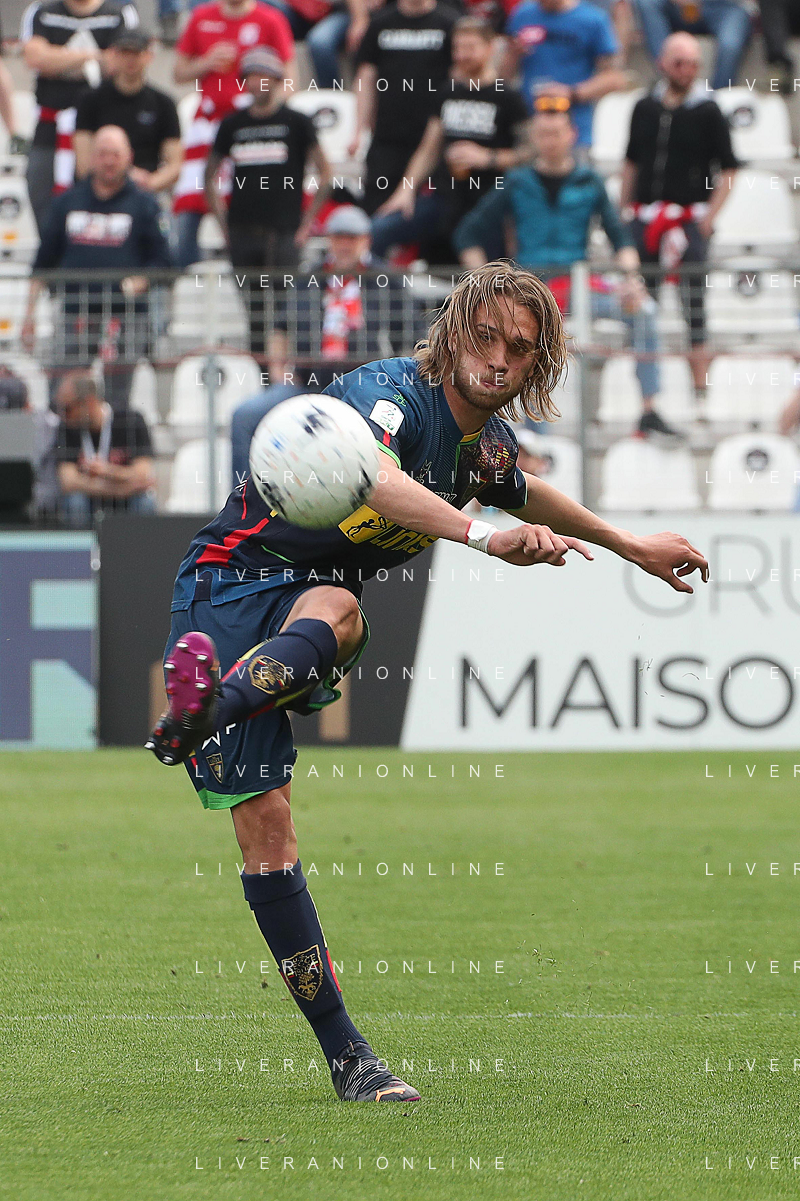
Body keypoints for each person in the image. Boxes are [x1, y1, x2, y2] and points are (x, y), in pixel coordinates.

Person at [144, 259, 708, 1102]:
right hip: (229, 582)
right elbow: (376, 480)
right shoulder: (392, 394)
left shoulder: (484, 443)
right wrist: (483, 538)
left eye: (520, 348)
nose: (499, 359)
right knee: (268, 824)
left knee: (341, 616)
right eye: (486, 337)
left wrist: (631, 545)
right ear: (455, 331)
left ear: (539, 361)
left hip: (308, 599)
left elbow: (523, 491)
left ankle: (204, 712)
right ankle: (348, 1051)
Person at [454, 104, 675, 438]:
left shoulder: (590, 181)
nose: (550, 141)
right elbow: (468, 233)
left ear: (572, 135)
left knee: (644, 310)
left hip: (578, 287)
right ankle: (534, 437)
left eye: (556, 133)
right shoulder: (517, 182)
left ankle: (649, 410)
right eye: (543, 134)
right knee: (526, 343)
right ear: (535, 138)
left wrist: (633, 281)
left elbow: (620, 238)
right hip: (529, 292)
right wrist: (485, 285)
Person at [229, 202, 427, 483]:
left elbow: (414, 337)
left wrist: (395, 383)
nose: (344, 245)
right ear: (329, 241)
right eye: (338, 238)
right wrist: (279, 374)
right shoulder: (310, 277)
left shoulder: (387, 279)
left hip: (366, 389)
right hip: (307, 386)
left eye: (351, 238)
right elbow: (280, 329)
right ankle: (245, 501)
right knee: (245, 417)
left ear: (366, 241)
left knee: (404, 428)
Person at [620, 31, 737, 402]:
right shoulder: (644, 107)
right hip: (646, 218)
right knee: (643, 303)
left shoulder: (709, 111)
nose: (686, 70)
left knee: (694, 302)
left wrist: (709, 217)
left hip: (688, 220)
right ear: (663, 63)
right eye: (679, 62)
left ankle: (700, 386)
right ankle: (645, 393)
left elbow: (729, 168)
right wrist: (625, 209)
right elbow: (631, 162)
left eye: (692, 63)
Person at [21, 125, 173, 411]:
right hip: (75, 312)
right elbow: (43, 262)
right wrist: (28, 315)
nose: (109, 161)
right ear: (91, 158)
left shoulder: (145, 205)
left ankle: (113, 437)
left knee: (118, 398)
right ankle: (64, 438)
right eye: (102, 154)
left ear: (128, 157)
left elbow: (164, 262)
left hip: (127, 315)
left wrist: (142, 280)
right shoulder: (66, 202)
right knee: (63, 392)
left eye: (115, 154)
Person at [204, 47, 332, 354]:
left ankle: (284, 372)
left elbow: (326, 173)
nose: (256, 82)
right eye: (250, 76)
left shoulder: (297, 122)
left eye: (263, 75)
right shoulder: (232, 124)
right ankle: (260, 373)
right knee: (254, 316)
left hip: (284, 232)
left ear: (277, 79)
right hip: (242, 232)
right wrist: (224, 225)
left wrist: (306, 224)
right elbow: (208, 177)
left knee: (286, 313)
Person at [372, 16, 530, 261]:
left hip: (489, 203)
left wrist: (487, 158)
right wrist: (406, 190)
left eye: (469, 48)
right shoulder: (447, 92)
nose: (461, 55)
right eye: (457, 48)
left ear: (490, 48)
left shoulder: (507, 96)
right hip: (444, 197)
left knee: (486, 267)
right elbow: (428, 149)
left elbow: (530, 153)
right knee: (378, 230)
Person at [171, 0, 296, 269]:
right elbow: (179, 73)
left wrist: (263, 111)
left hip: (250, 127)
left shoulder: (270, 19)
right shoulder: (201, 17)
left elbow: (290, 79)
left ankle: (250, 272)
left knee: (249, 201)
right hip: (208, 126)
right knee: (191, 202)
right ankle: (187, 276)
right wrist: (206, 62)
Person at [20, 0, 139, 234]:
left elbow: (117, 64)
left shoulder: (120, 13)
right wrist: (93, 57)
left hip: (99, 128)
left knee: (104, 189)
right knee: (40, 188)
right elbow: (35, 58)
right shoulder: (42, 12)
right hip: (50, 127)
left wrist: (57, 60)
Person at [350, 0, 459, 214]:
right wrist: (358, 129)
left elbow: (459, 78)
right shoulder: (380, 23)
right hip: (387, 135)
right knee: (376, 209)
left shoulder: (448, 23)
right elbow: (366, 77)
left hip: (433, 137)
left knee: (431, 214)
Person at [502, 0, 626, 149]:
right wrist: (512, 55)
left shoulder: (592, 19)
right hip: (529, 127)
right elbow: (502, 79)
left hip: (574, 130)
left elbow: (614, 78)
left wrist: (571, 93)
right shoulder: (523, 14)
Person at [73, 29, 183, 195]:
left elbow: (174, 164)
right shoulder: (90, 100)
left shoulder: (163, 104)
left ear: (148, 56)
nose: (130, 59)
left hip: (145, 190)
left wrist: (149, 183)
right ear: (114, 55)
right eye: (125, 53)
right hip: (98, 190)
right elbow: (83, 162)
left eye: (136, 53)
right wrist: (124, 179)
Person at [54, 369, 156, 525]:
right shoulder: (67, 428)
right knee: (75, 502)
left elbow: (142, 474)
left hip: (126, 500)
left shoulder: (131, 420)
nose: (63, 415)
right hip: (94, 499)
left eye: (67, 408)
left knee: (145, 502)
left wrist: (107, 471)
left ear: (89, 402)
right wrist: (120, 489)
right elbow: (68, 481)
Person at [634, 0, 752, 91]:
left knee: (729, 45)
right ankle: (670, 86)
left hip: (724, 8)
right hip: (675, 8)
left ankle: (717, 100)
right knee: (647, 3)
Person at [267, 0, 371, 88]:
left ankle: (331, 96)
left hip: (336, 13)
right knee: (266, 3)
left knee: (320, 43)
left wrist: (360, 19)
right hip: (300, 12)